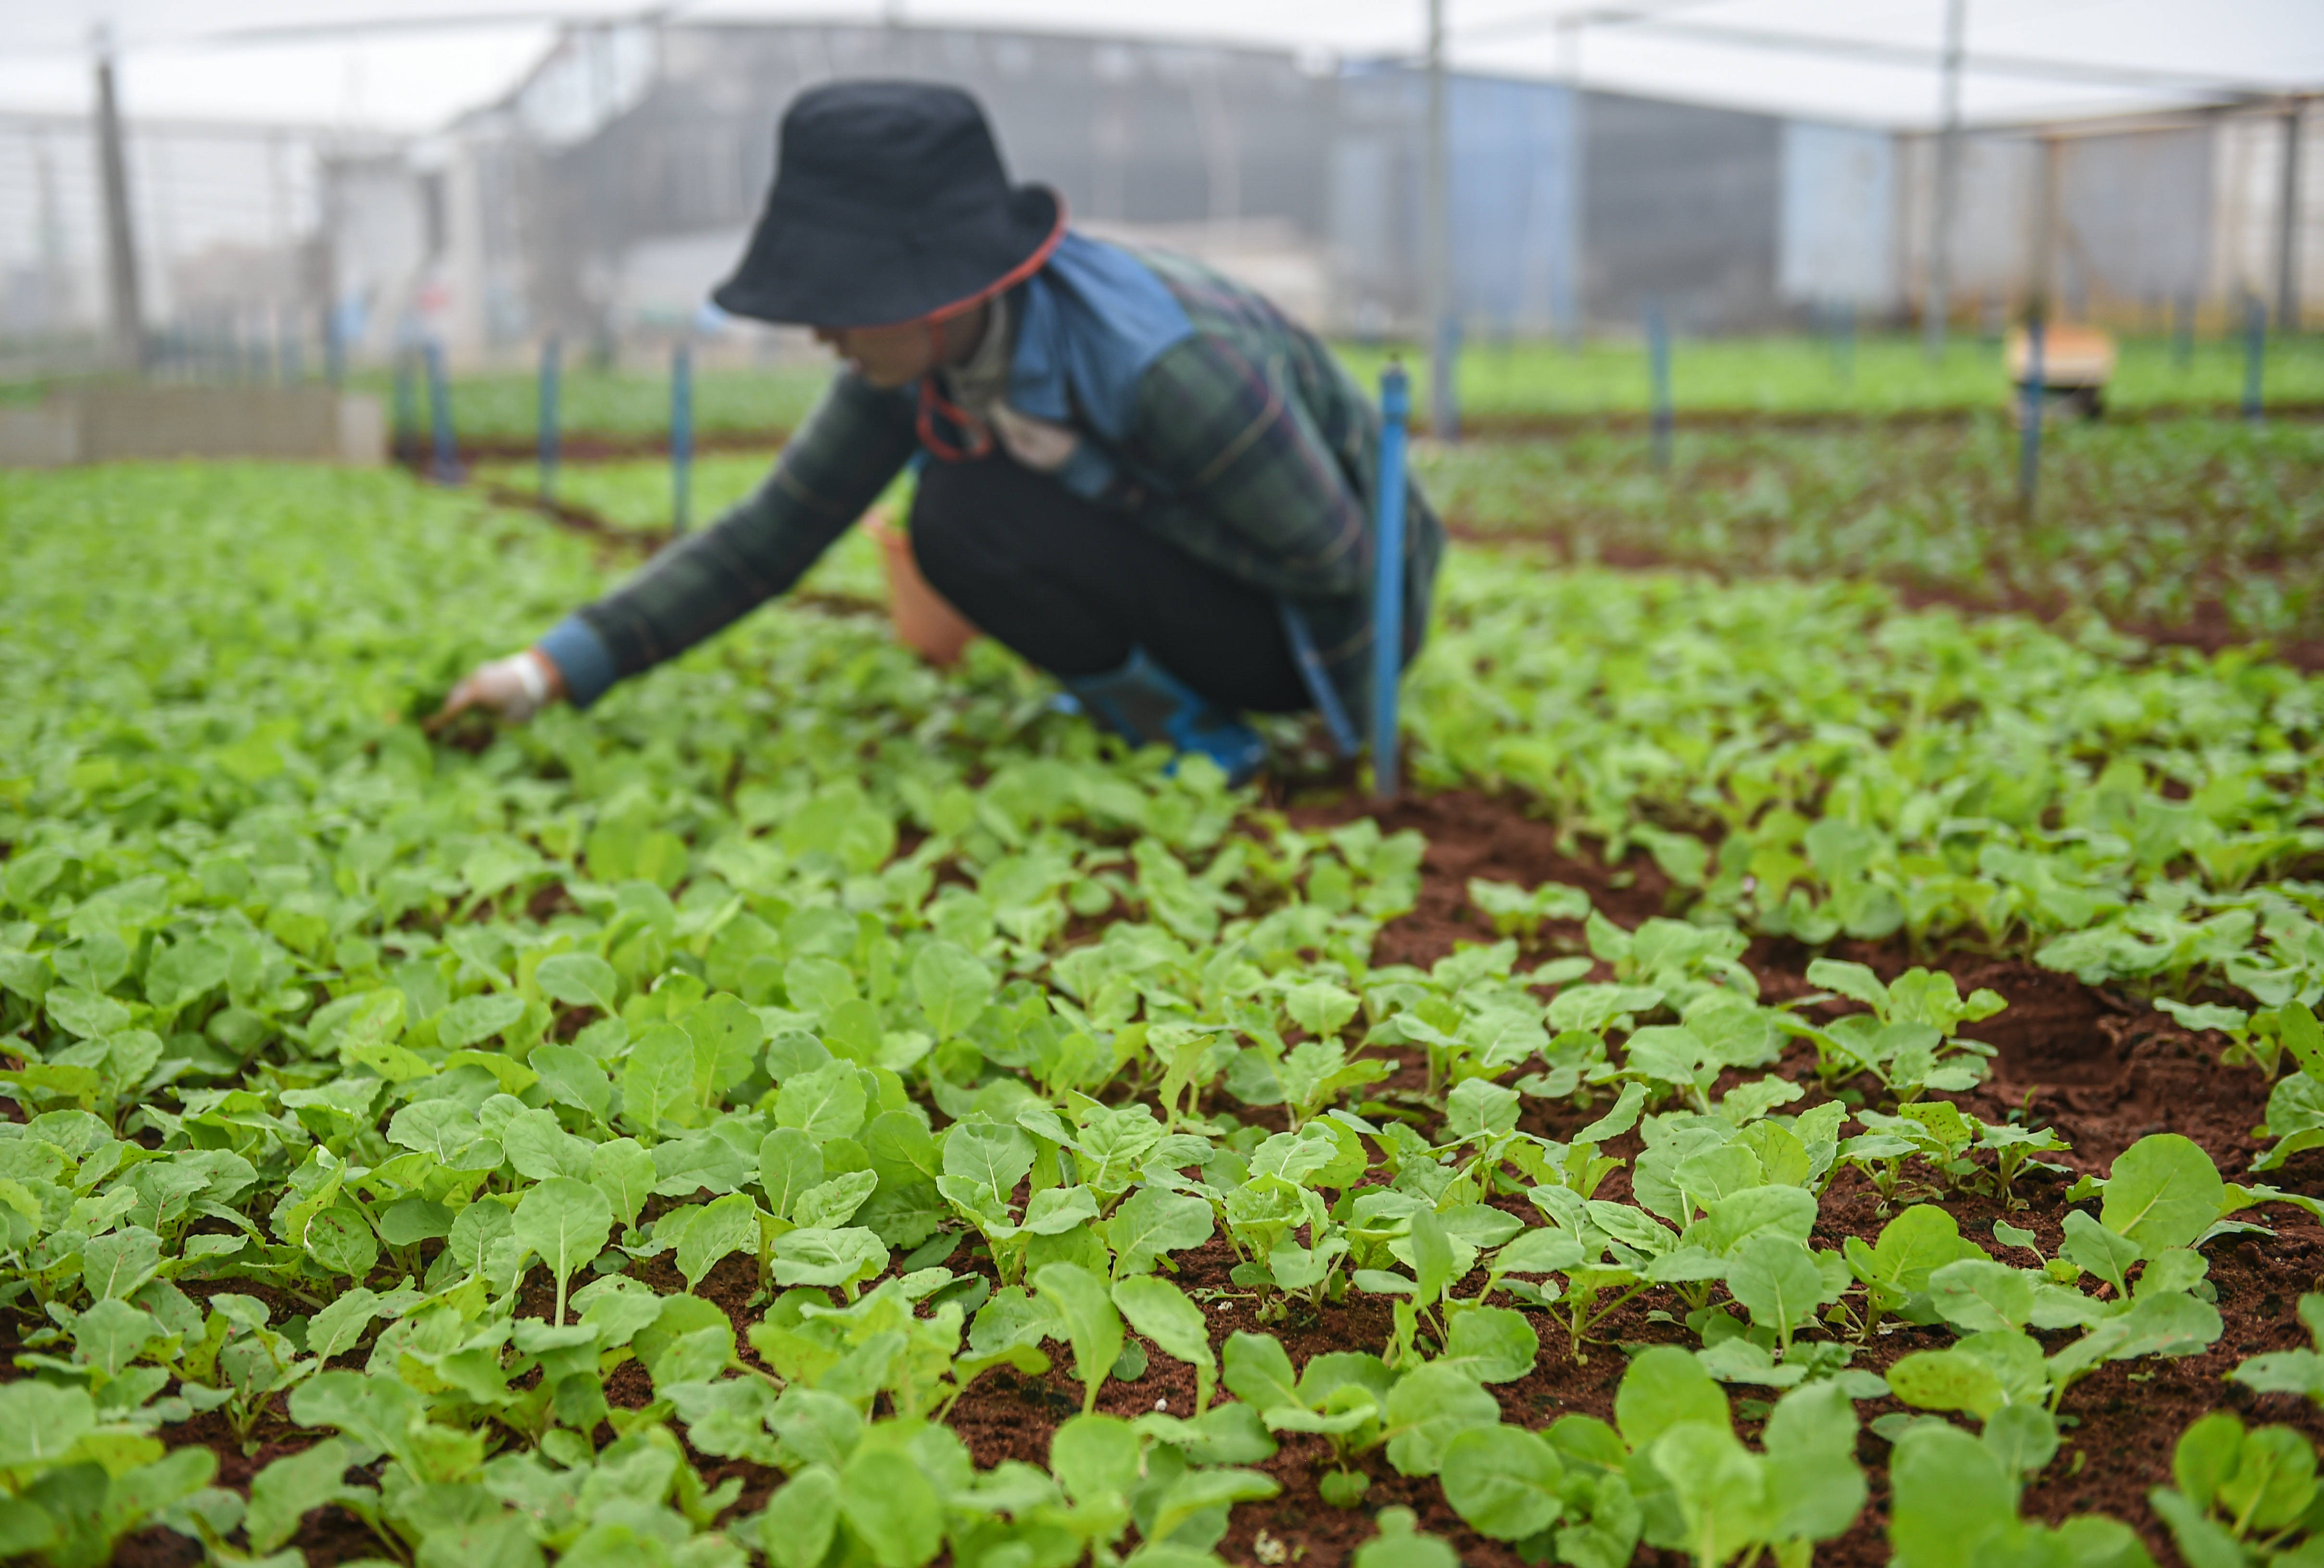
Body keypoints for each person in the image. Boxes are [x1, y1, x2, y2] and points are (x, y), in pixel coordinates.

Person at [436, 79, 1442, 784]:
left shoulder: (1165, 366)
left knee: (977, 505)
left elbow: (1337, 561)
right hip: (1238, 586)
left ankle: (1204, 733)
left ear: (936, 294)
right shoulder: (919, 359)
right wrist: (545, 670)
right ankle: (1161, 711)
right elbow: (771, 533)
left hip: (1310, 633)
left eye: (842, 299)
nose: (821, 329)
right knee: (962, 514)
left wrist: (1098, 491)